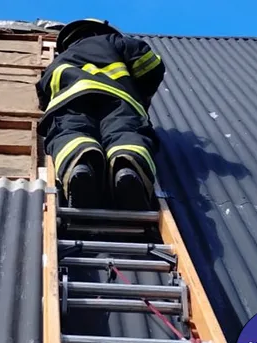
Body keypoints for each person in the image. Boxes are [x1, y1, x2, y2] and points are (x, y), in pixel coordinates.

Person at [36, 19, 165, 211]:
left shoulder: (59, 60)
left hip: (70, 101)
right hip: (118, 98)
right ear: (100, 30)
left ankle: (79, 168)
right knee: (124, 132)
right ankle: (128, 171)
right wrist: (141, 93)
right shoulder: (114, 41)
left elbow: (43, 92)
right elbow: (150, 64)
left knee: (70, 132)